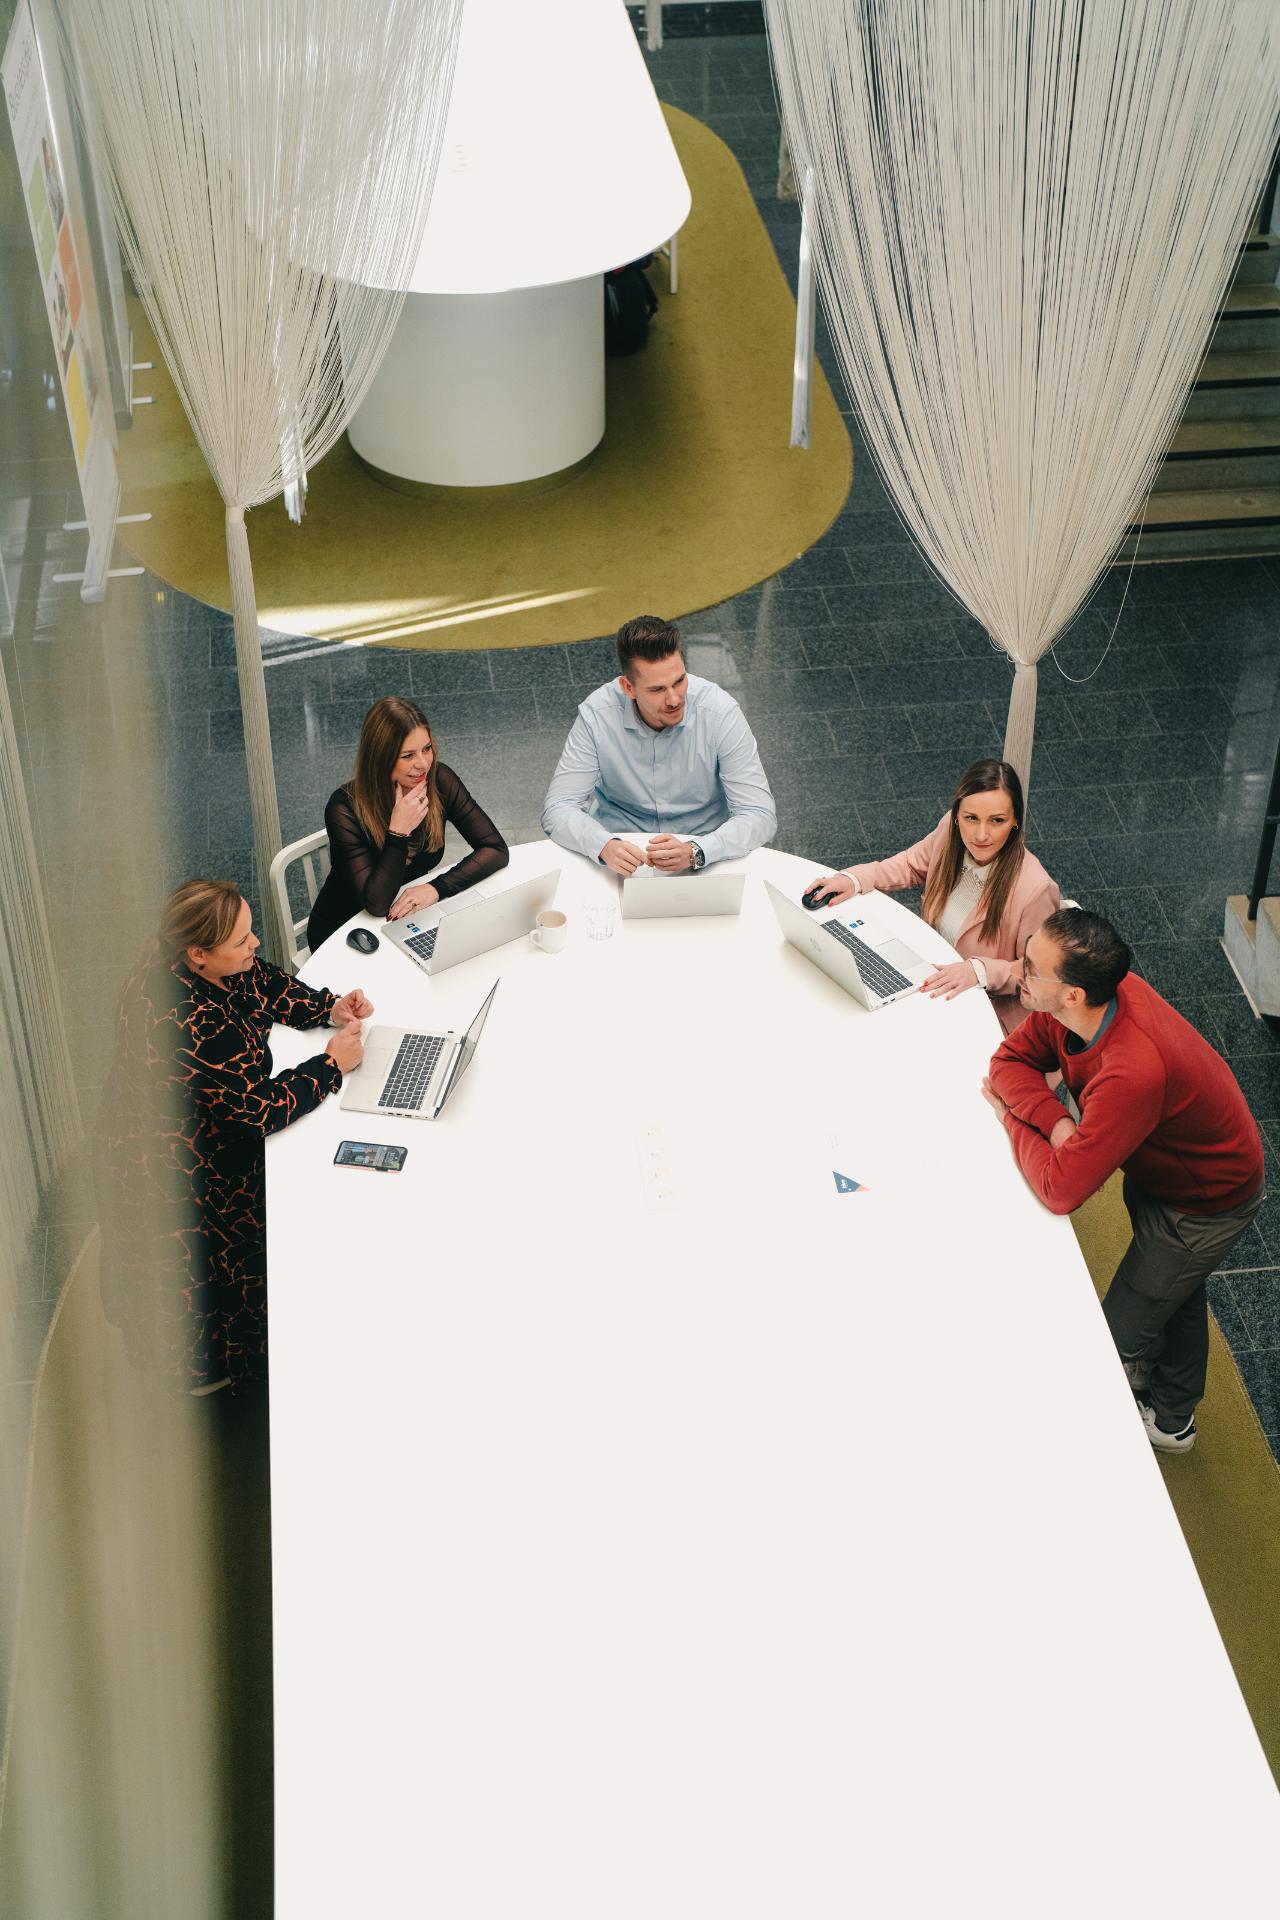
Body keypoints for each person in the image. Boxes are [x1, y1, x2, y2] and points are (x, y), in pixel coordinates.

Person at [983, 908, 1264, 1453]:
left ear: (1072, 995)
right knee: (1176, 1294)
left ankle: (1171, 1423)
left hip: (1204, 1200)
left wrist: (1012, 1118)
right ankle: (1171, 1405)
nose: (1019, 971)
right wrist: (1058, 1121)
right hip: (1158, 1164)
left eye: (1031, 967)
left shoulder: (1132, 1070)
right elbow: (1008, 1063)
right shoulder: (1077, 1006)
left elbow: (1061, 1189)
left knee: (1109, 1342)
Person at [96, 880, 368, 1393]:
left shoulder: (202, 961)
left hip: (191, 1129)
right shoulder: (186, 1020)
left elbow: (261, 980)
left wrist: (326, 1008)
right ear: (198, 953)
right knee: (217, 1269)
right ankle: (217, 1373)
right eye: (242, 940)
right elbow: (254, 1111)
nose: (255, 945)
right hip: (183, 1165)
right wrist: (332, 1063)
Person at [807, 759, 1058, 1032]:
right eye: (970, 818)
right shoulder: (950, 831)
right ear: (957, 815)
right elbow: (911, 864)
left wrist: (979, 970)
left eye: (997, 821)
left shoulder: (1036, 889)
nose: (980, 834)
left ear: (1015, 822)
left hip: (983, 1006)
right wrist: (855, 879)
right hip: (931, 977)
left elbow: (1036, 974)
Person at [541, 614, 776, 876]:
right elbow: (558, 808)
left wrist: (697, 850)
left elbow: (759, 814)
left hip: (705, 853)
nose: (675, 699)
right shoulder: (597, 715)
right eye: (657, 690)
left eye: (679, 681)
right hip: (621, 854)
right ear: (628, 687)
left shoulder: (720, 712)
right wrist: (602, 844)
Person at [307, 696, 509, 952]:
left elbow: (495, 849)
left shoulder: (439, 780)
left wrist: (436, 888)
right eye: (408, 755)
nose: (423, 763)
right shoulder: (344, 809)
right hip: (344, 931)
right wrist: (398, 831)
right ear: (380, 758)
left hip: (404, 918)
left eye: (426, 748)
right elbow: (378, 903)